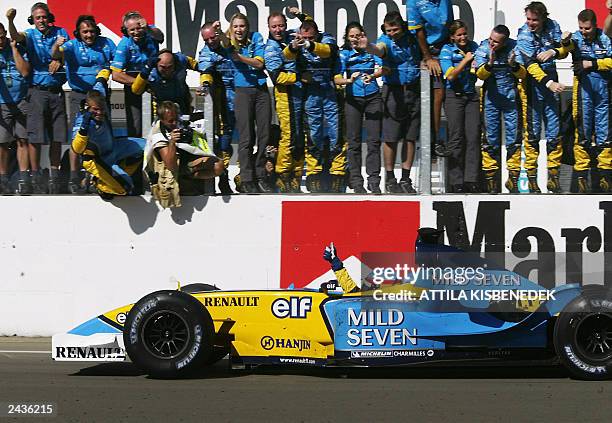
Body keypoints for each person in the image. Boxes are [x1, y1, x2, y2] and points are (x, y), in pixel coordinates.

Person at [6, 3, 69, 194]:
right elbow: (16, 37)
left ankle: (55, 176)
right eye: (37, 17)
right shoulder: (30, 34)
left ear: (50, 17)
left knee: (57, 138)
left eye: (44, 17)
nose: (41, 20)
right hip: (36, 90)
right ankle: (35, 176)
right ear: (32, 19)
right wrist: (10, 20)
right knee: (35, 138)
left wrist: (58, 56)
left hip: (56, 90)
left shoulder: (61, 31)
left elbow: (65, 52)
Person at [51, 14, 116, 194]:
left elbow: (119, 61)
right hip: (78, 95)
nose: (89, 35)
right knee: (77, 137)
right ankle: (74, 177)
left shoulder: (106, 43)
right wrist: (57, 46)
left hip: (100, 96)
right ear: (78, 33)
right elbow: (55, 54)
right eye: (85, 32)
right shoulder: (72, 44)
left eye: (92, 31)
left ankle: (99, 176)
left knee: (103, 137)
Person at [361, 11, 421, 193]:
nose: (392, 33)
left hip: (413, 89)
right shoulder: (385, 39)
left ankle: (405, 177)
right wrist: (368, 47)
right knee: (390, 137)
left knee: (410, 137)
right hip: (393, 90)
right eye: (388, 30)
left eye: (395, 30)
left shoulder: (412, 37)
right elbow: (379, 49)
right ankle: (390, 177)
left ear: (402, 27)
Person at [284, 18, 344, 193]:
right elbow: (286, 56)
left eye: (310, 36)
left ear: (316, 34)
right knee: (313, 132)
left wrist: (309, 45)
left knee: (336, 131)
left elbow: (329, 52)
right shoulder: (296, 39)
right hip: (311, 92)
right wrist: (295, 46)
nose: (306, 39)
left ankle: (337, 171)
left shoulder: (327, 39)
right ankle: (314, 171)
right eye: (304, 36)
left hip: (329, 90)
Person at [558, 9, 612, 192]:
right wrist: (564, 42)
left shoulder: (605, 40)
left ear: (595, 25)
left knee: (605, 134)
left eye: (587, 28)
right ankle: (581, 176)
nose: (583, 31)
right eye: (581, 27)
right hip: (583, 93)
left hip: (603, 91)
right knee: (582, 132)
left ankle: (606, 176)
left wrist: (592, 63)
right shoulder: (576, 39)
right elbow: (564, 51)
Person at [516, 1, 566, 193]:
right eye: (528, 19)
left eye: (534, 20)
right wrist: (548, 83)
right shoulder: (524, 33)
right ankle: (531, 179)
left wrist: (554, 50)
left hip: (552, 86)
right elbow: (530, 65)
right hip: (533, 87)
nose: (530, 23)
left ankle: (554, 178)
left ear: (544, 18)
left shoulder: (553, 26)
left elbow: (565, 49)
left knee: (554, 134)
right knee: (533, 135)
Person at [222, 13, 272, 194]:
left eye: (242, 26)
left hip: (261, 90)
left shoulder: (256, 37)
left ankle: (260, 174)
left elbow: (259, 64)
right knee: (246, 138)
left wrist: (240, 58)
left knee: (265, 135)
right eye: (235, 26)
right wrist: (221, 33)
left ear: (247, 27)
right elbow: (226, 45)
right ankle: (247, 177)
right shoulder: (228, 41)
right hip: (242, 91)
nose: (239, 30)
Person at [475, 25, 527, 193]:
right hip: (491, 97)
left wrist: (513, 66)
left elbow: (523, 74)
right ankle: (491, 181)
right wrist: (489, 64)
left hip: (511, 98)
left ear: (504, 42)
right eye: (491, 39)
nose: (492, 43)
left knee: (514, 138)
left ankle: (513, 178)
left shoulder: (515, 47)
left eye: (496, 42)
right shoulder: (483, 47)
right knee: (490, 139)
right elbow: (479, 75)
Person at [144, 101, 223, 208]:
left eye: (176, 119)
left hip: (187, 160)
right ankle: (186, 175)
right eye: (170, 121)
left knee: (218, 166)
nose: (174, 123)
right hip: (171, 169)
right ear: (162, 120)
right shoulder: (158, 134)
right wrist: (172, 142)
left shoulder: (182, 123)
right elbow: (170, 165)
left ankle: (189, 173)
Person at [335, 22, 383, 194]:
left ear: (363, 35)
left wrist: (373, 75)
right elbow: (336, 78)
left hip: (373, 97)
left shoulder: (371, 50)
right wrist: (349, 80)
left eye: (357, 35)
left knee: (374, 141)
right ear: (347, 38)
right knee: (354, 142)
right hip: (353, 99)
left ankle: (374, 180)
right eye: (351, 36)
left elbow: (384, 68)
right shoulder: (344, 54)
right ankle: (356, 181)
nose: (355, 39)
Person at [71, 90, 145, 199]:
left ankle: (111, 178)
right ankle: (98, 184)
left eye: (102, 109)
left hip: (113, 148)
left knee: (146, 147)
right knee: (126, 187)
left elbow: (101, 80)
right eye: (95, 110)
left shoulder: (98, 97)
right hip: (97, 160)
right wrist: (84, 128)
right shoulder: (82, 122)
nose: (100, 113)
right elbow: (77, 149)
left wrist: (106, 73)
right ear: (87, 107)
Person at [407, 0, 454, 157]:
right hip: (424, 51)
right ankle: (432, 140)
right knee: (432, 96)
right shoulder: (414, 2)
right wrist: (428, 57)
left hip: (443, 49)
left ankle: (436, 140)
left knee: (443, 95)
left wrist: (450, 52)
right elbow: (418, 31)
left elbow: (450, 26)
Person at [264, 9, 304, 193]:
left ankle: (296, 175)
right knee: (288, 136)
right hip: (285, 95)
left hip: (302, 94)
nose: (278, 29)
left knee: (301, 136)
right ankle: (282, 175)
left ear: (286, 25)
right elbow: (276, 77)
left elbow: (311, 28)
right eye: (274, 26)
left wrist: (300, 15)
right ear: (269, 28)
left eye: (281, 25)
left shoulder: (291, 36)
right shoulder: (271, 47)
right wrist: (298, 78)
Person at [440, 20, 481, 193]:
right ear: (452, 37)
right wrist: (465, 60)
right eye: (459, 35)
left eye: (465, 33)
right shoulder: (446, 50)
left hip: (471, 95)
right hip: (453, 96)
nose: (463, 37)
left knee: (473, 136)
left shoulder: (475, 46)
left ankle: (471, 179)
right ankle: (456, 181)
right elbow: (450, 76)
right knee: (456, 138)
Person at [110, 11, 163, 137]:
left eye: (139, 28)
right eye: (132, 30)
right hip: (135, 89)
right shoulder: (124, 44)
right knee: (136, 128)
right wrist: (142, 83)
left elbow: (160, 37)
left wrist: (148, 28)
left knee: (161, 123)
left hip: (158, 83)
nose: (136, 32)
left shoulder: (150, 31)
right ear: (126, 30)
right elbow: (116, 75)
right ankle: (137, 155)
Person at [199, 21, 236, 195]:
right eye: (206, 40)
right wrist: (205, 84)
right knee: (222, 138)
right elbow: (205, 70)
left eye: (213, 37)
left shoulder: (229, 43)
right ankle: (222, 176)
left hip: (240, 93)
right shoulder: (205, 52)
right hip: (220, 98)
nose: (210, 42)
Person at [0, 23, 30, 194]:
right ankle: (3, 179)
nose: (0, 40)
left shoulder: (16, 47)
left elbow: (25, 72)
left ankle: (23, 178)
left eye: (2, 36)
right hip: (2, 102)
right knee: (2, 142)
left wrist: (13, 49)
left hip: (21, 100)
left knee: (23, 140)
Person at [131, 49, 198, 114]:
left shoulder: (182, 60)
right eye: (163, 67)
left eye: (170, 67)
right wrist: (144, 73)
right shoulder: (150, 71)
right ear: (156, 65)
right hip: (160, 105)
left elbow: (202, 68)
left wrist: (204, 83)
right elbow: (136, 90)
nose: (167, 71)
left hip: (182, 101)